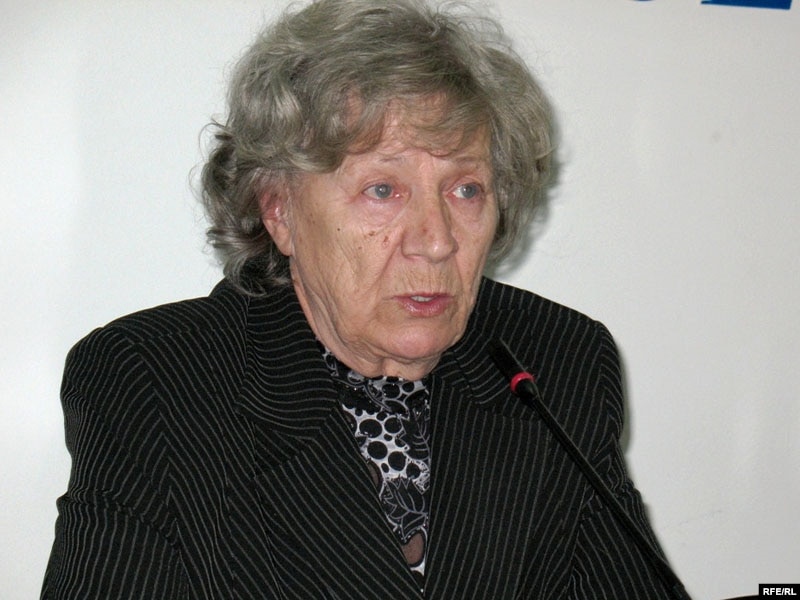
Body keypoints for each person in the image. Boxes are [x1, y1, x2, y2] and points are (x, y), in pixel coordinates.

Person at [42, 0, 687, 598]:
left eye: (466, 190)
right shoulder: (153, 381)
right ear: (279, 208)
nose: (436, 241)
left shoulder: (558, 362)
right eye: (383, 189)